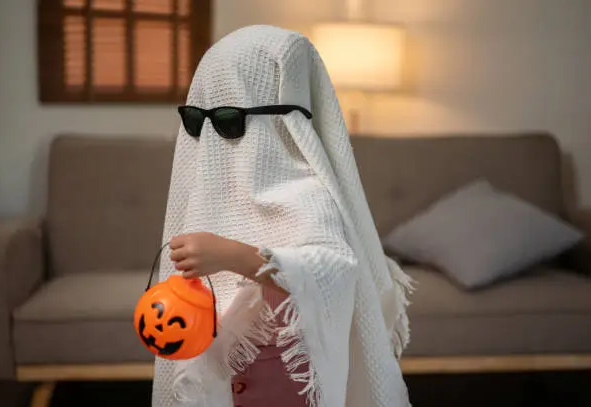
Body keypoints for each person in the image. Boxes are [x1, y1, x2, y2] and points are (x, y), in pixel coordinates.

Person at [152, 24, 413, 407]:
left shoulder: (304, 190)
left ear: (276, 119)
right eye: (196, 120)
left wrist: (232, 255)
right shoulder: (209, 193)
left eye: (226, 121)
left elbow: (334, 270)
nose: (208, 140)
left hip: (290, 384)